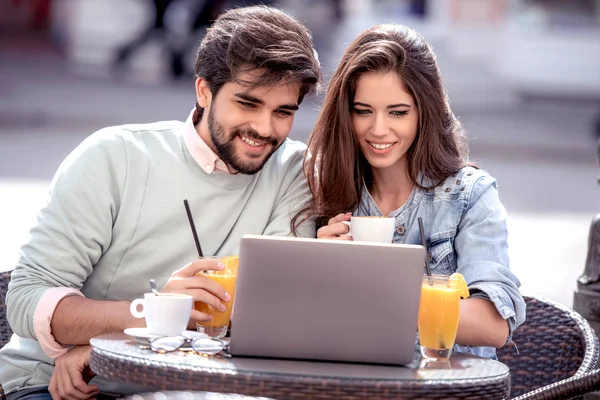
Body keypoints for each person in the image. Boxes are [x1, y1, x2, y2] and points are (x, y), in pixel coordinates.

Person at [1, 5, 320, 399]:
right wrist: (157, 313)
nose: (265, 129)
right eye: (248, 104)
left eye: (283, 112)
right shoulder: (114, 156)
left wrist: (115, 343)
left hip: (197, 389)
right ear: (204, 89)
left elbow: (265, 319)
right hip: (61, 387)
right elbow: (26, 298)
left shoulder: (294, 171)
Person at [295, 24, 525, 359]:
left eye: (398, 112)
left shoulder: (469, 195)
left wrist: (376, 291)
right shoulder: (323, 182)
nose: (378, 129)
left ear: (424, 112)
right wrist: (322, 271)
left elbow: (492, 326)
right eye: (363, 111)